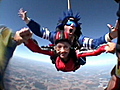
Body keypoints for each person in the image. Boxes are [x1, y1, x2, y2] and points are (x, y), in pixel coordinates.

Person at [18, 28, 116, 72]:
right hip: (62, 67)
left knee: (82, 59)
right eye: (59, 47)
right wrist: (28, 40)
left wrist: (106, 47)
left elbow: (94, 52)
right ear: (55, 47)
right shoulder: (54, 51)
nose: (62, 51)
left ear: (70, 47)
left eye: (66, 47)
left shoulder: (76, 53)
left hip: (72, 67)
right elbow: (37, 49)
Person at [18, 8, 118, 50]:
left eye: (74, 24)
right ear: (63, 26)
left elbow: (95, 42)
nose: (72, 26)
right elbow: (40, 31)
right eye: (69, 23)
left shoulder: (79, 39)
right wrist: (27, 20)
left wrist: (112, 35)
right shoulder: (55, 36)